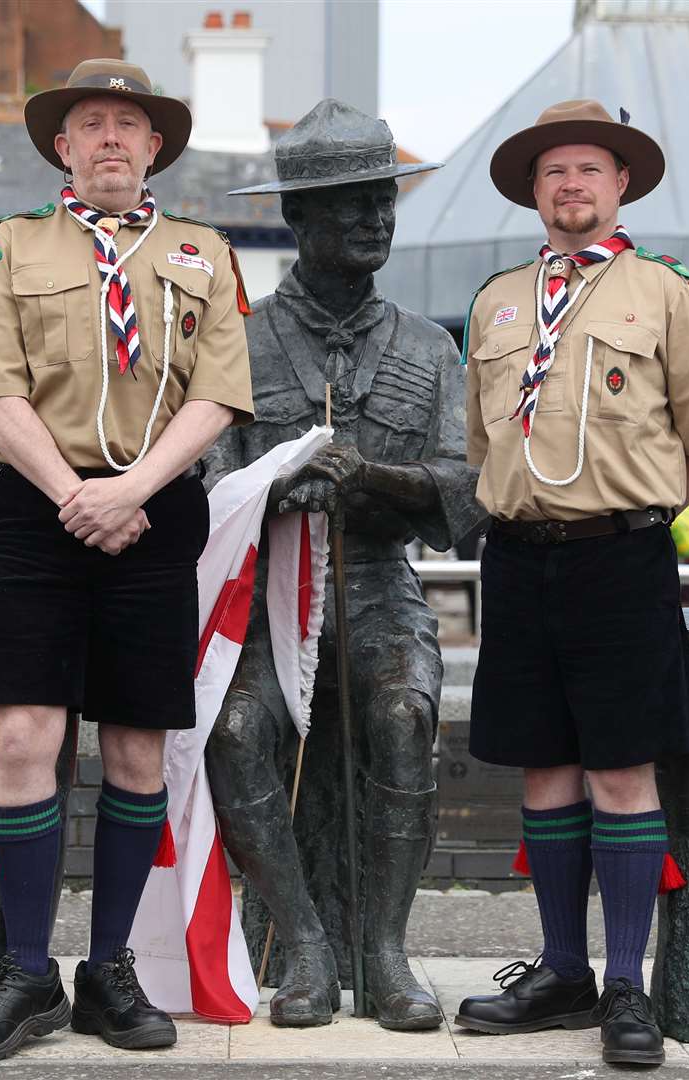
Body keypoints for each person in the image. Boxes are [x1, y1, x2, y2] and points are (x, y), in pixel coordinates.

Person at [0, 58, 254, 1066]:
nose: (111, 138)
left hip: (153, 517)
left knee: (135, 749)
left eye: (130, 124)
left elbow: (215, 399)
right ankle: (26, 972)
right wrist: (76, 494)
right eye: (91, 125)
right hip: (36, 513)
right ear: (61, 147)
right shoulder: (10, 244)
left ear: (155, 146)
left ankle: (106, 969)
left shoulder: (203, 251)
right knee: (24, 738)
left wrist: (130, 491)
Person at [454, 100, 689, 1067]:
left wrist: (631, 512)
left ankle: (626, 987)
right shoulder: (495, 300)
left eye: (589, 170)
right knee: (543, 763)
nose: (571, 186)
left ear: (620, 185)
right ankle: (562, 971)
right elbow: (481, 444)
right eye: (553, 174)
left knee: (621, 765)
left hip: (620, 556)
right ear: (534, 193)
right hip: (518, 557)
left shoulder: (665, 292)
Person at [215, 100, 481, 1031]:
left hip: (373, 579)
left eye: (383, 202)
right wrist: (274, 488)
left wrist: (378, 477)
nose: (374, 220)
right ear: (296, 219)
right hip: (268, 592)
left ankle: (384, 947)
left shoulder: (426, 346)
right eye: (350, 205)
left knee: (403, 710)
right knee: (238, 730)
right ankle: (304, 946)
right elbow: (205, 483)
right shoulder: (238, 343)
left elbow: (466, 492)